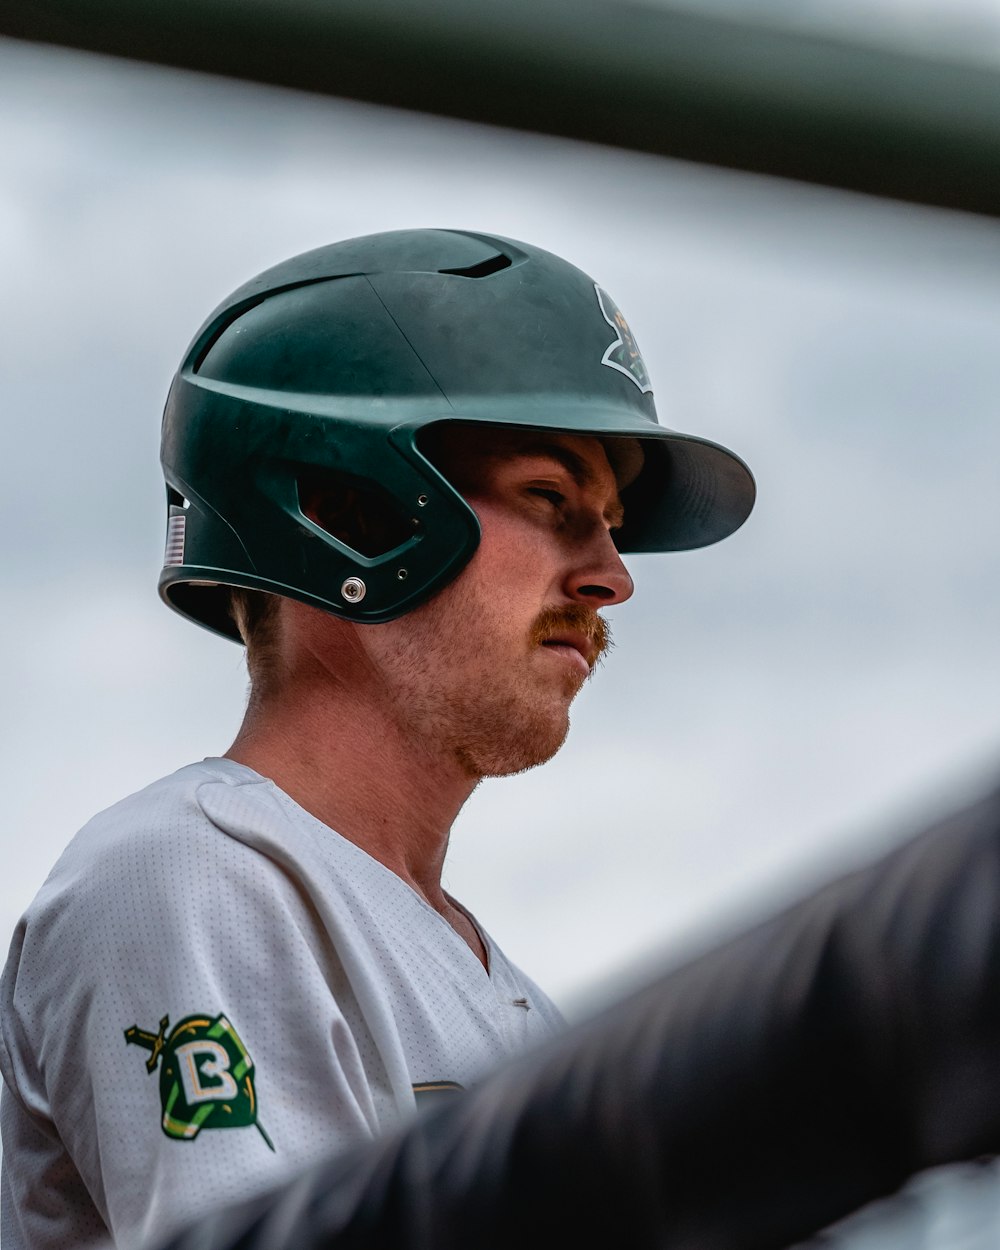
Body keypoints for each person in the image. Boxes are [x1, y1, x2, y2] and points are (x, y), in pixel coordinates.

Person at [0, 228, 755, 1250]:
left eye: (611, 522)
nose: (611, 574)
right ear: (341, 507)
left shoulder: (508, 995)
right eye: (551, 498)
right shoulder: (192, 876)